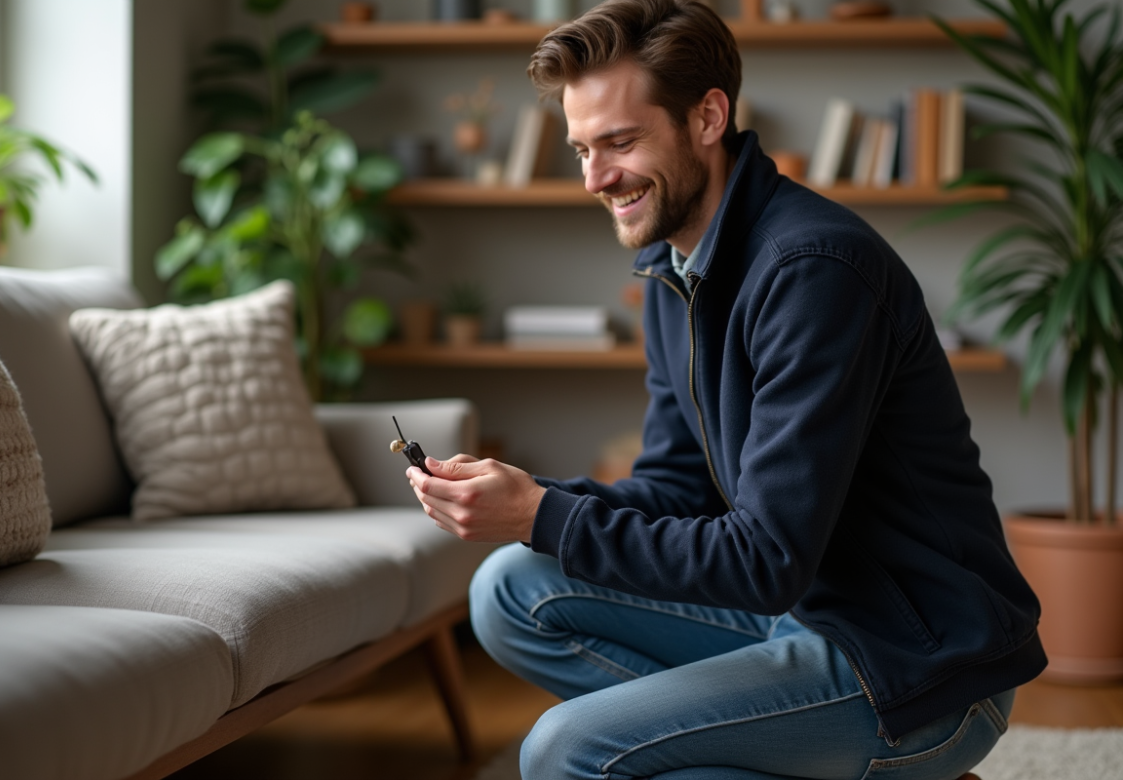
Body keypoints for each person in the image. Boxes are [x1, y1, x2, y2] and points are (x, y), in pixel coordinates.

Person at [405, 1, 1046, 778]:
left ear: (708, 117)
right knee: (512, 588)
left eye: (619, 142)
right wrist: (524, 499)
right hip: (798, 616)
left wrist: (542, 514)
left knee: (567, 749)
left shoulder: (815, 272)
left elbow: (765, 559)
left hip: (912, 663)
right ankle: (761, 749)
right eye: (580, 149)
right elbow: (679, 488)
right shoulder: (677, 269)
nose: (595, 178)